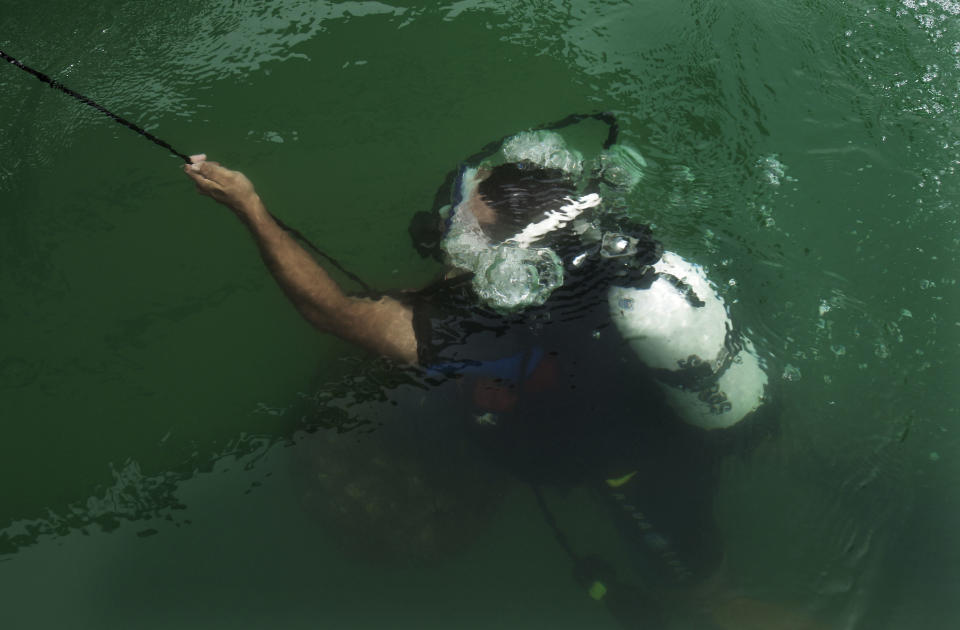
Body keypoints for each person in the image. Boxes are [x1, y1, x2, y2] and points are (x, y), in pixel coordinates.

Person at [183, 126, 779, 628]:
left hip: (644, 472)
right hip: (651, 394)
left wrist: (251, 209)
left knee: (706, 596)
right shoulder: (593, 241)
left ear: (514, 254)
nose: (453, 230)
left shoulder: (502, 329)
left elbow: (332, 314)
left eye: (470, 229)